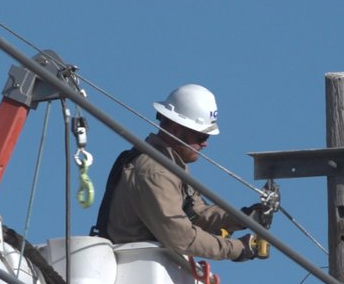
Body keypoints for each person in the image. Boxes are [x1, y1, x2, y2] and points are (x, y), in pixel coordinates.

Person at [91, 84, 270, 261]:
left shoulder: (170, 167)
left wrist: (242, 218)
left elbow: (195, 213)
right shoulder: (155, 171)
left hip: (151, 271)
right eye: (201, 137)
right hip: (136, 271)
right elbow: (180, 236)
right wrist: (237, 249)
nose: (205, 143)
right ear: (176, 130)